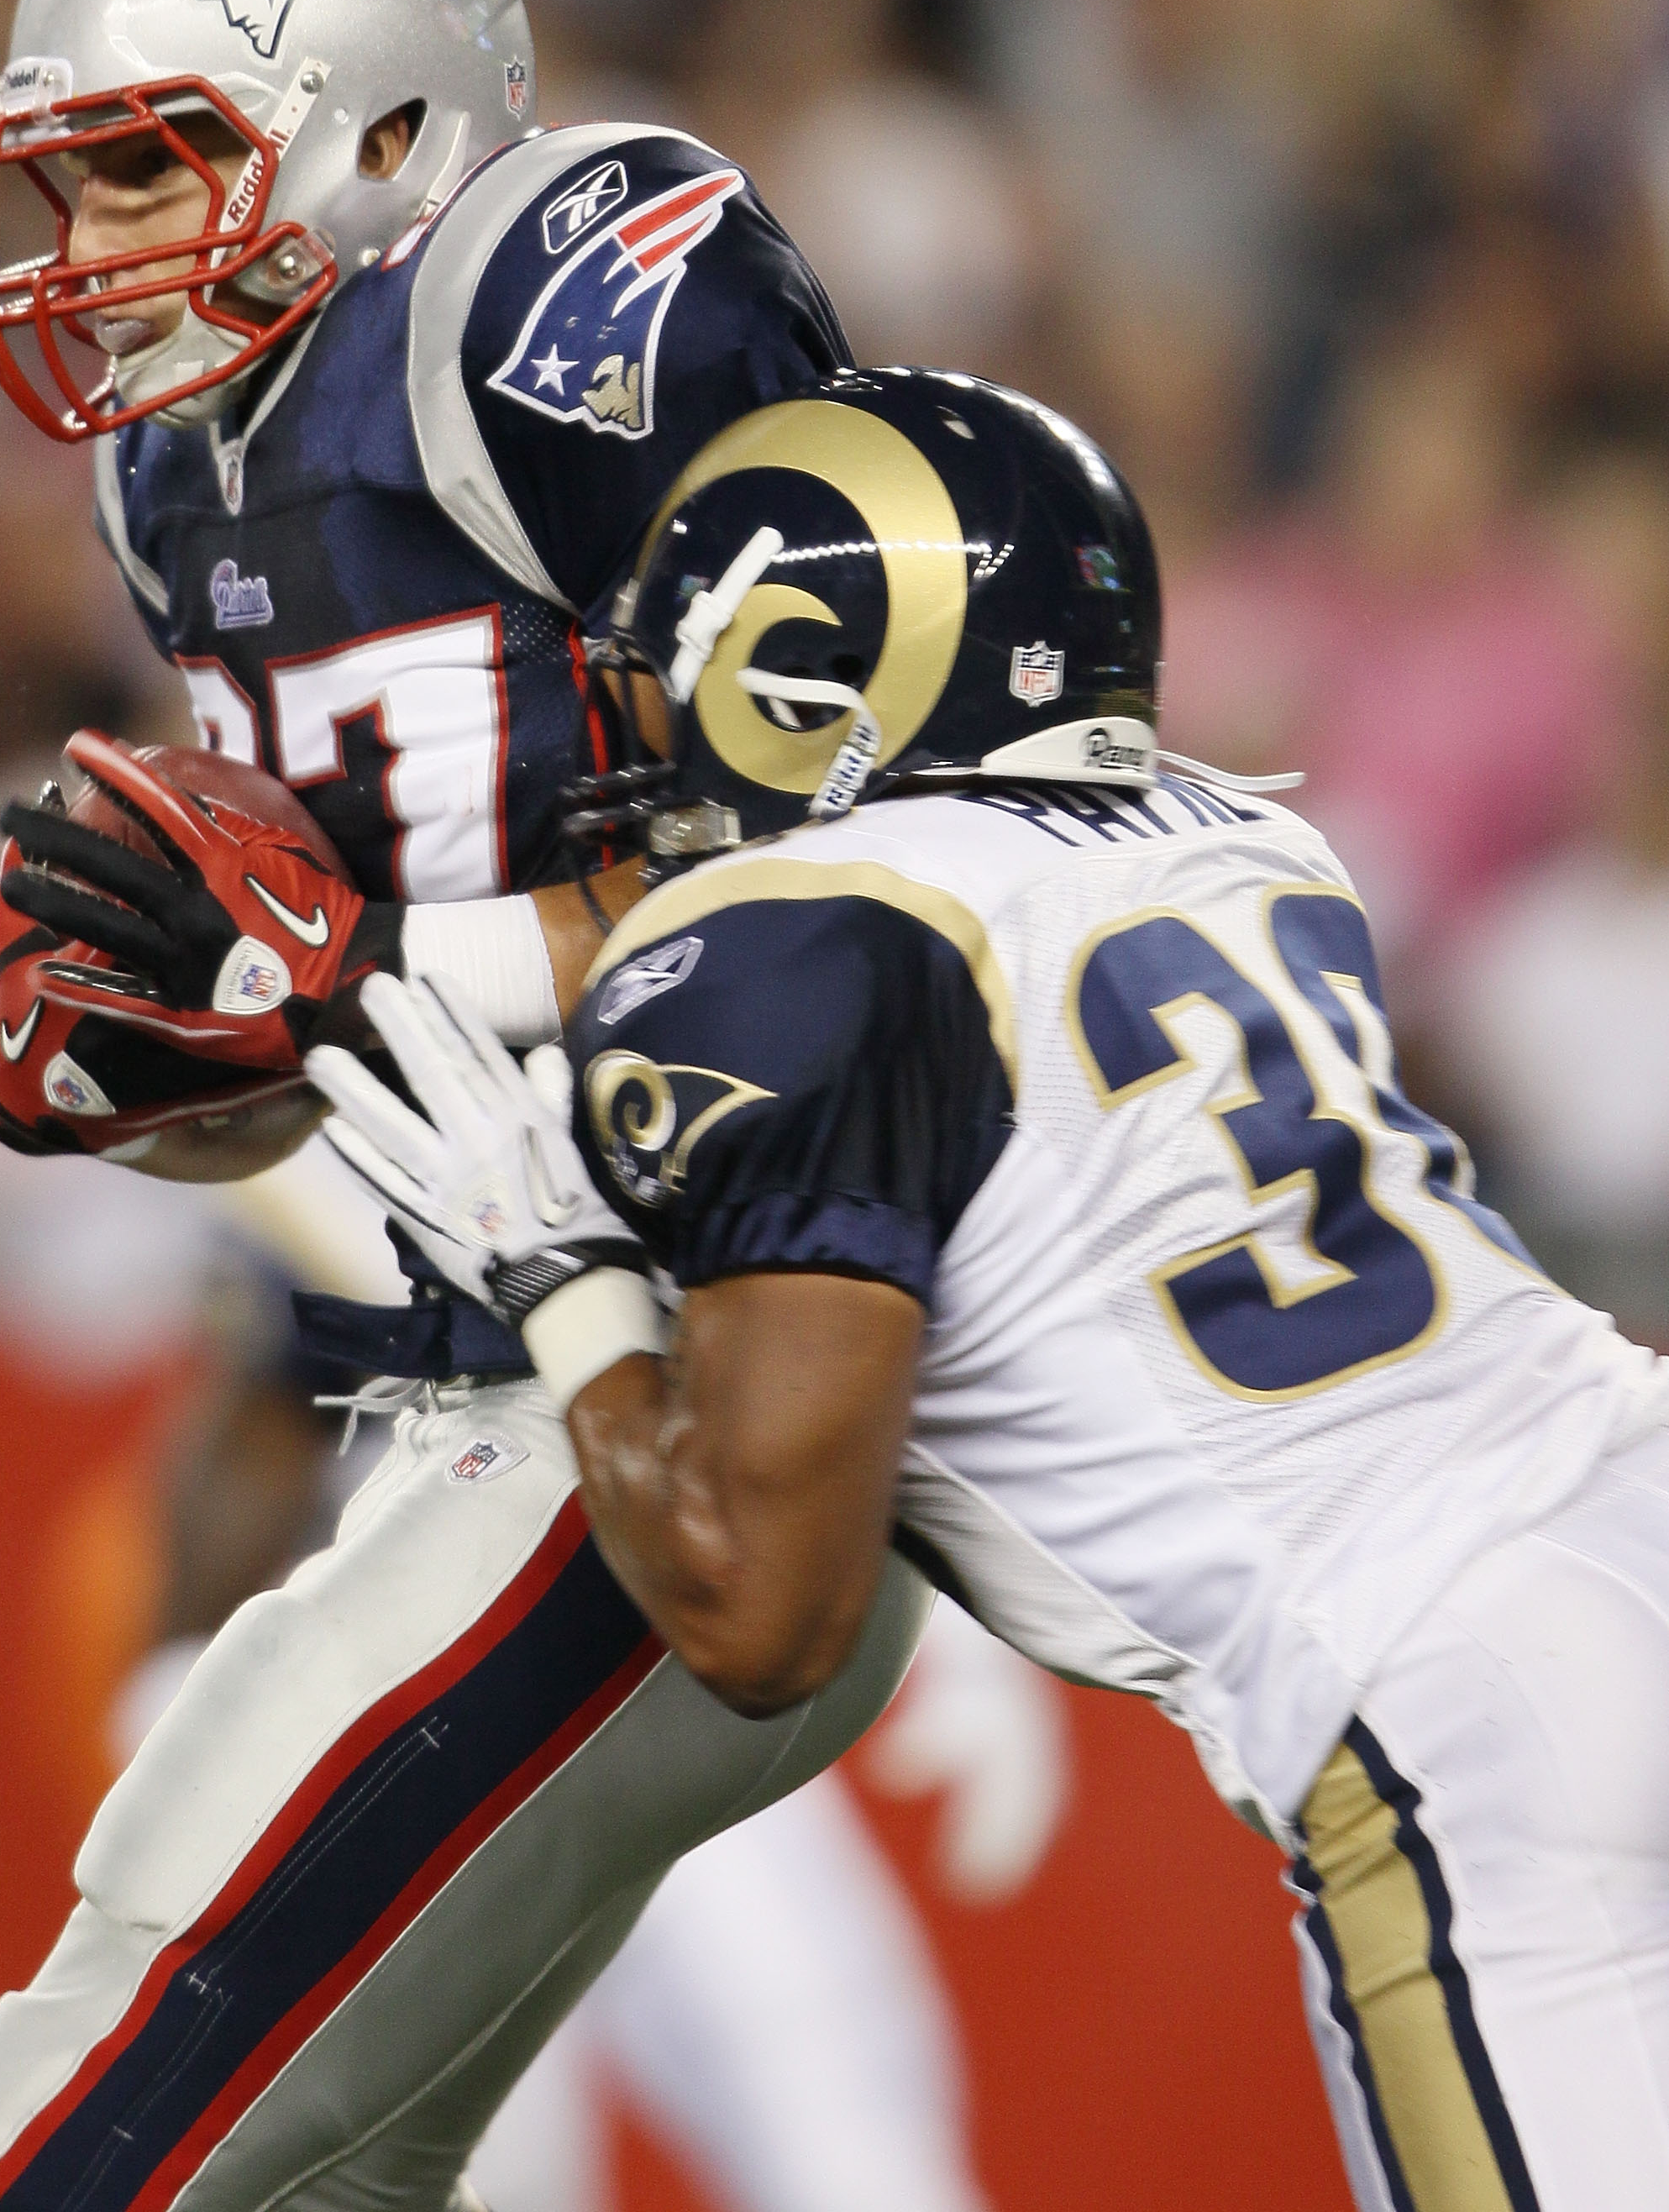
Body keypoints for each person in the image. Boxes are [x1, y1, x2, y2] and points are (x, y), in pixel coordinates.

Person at [0, 0, 933, 2212]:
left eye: (147, 165)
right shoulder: (185, 475)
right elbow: (356, 1052)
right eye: (73, 186)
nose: (92, 251)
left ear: (381, 130)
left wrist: (351, 966)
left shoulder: (558, 291)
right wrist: (168, 1081)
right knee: (308, 2171)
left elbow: (869, 857)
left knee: (90, 2117)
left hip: (723, 1359)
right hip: (505, 1381)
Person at [310, 366, 1669, 2212]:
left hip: (1449, 1692)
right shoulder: (1254, 834)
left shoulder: (789, 946)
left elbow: (758, 1610)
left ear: (803, 672)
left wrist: (556, 1271)